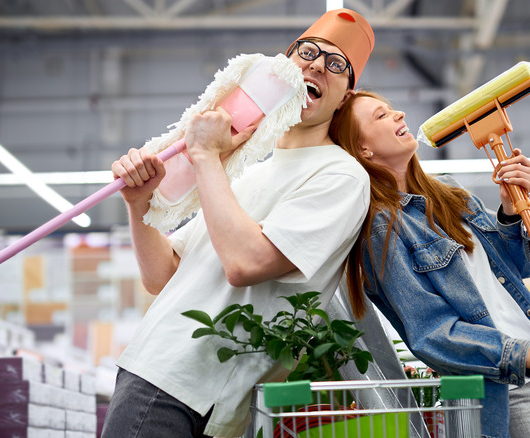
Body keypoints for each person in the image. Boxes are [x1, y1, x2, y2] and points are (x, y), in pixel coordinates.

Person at [101, 9, 374, 438]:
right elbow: (161, 276)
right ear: (283, 66)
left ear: (344, 96)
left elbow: (246, 262)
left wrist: (208, 157)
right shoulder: (248, 168)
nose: (318, 64)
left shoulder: (340, 176)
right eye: (308, 52)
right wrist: (138, 206)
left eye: (337, 64)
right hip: (158, 373)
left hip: (201, 394)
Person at [330, 90, 530, 437]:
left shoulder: (451, 194)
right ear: (362, 149)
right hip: (505, 391)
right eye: (380, 116)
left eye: (392, 110)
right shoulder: (382, 228)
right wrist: (521, 354)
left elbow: (521, 267)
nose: (399, 114)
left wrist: (510, 209)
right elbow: (432, 334)